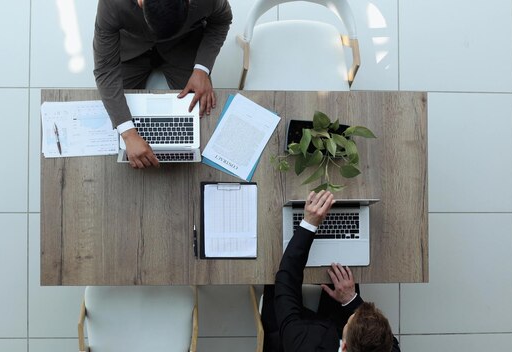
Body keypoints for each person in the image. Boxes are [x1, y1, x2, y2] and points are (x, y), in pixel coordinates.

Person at [93, 0, 232, 168]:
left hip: (182, 45)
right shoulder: (112, 4)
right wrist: (129, 134)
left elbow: (221, 20)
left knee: (203, 119)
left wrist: (202, 68)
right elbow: (106, 69)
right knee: (115, 117)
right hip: (132, 48)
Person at [265, 190, 400, 352]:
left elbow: (286, 286)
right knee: (343, 269)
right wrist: (350, 300)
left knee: (274, 279)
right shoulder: (384, 348)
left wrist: (309, 224)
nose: (355, 314)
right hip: (332, 331)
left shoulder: (301, 345)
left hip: (298, 334)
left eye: (351, 320)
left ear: (344, 346)